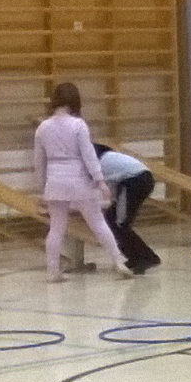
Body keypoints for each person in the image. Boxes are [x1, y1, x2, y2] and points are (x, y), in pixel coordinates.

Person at [33, 83, 130, 283]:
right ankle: (118, 260)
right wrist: (100, 181)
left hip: (55, 180)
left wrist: (42, 189)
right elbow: (89, 155)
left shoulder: (42, 128)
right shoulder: (78, 125)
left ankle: (53, 271)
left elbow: (39, 162)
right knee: (98, 223)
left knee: (56, 227)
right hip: (79, 179)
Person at [95, 142, 161, 274]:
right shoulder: (109, 156)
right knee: (112, 219)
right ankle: (135, 257)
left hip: (134, 181)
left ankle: (147, 257)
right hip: (137, 179)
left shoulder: (96, 161)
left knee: (119, 223)